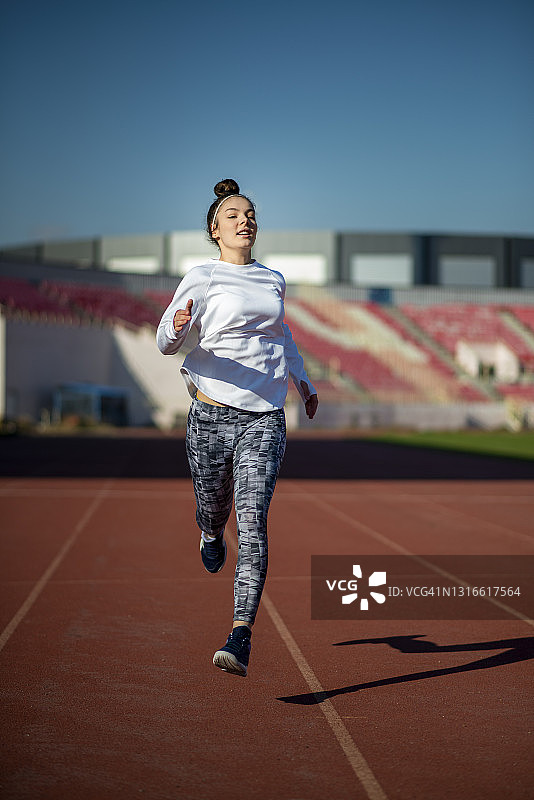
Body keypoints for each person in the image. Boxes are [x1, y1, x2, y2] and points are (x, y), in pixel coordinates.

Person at [156, 179, 318, 677]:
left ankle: (240, 635)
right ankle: (209, 533)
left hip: (264, 418)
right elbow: (165, 340)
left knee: (252, 523)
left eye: (250, 214)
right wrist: (178, 327)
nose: (244, 220)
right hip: (210, 414)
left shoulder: (272, 280)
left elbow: (281, 335)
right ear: (215, 229)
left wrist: (303, 381)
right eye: (233, 215)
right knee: (214, 508)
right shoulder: (201, 277)